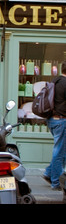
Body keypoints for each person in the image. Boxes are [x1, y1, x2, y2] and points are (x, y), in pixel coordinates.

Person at [42, 61, 66, 191]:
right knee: (59, 151)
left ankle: (48, 173)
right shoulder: (65, 83)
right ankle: (56, 182)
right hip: (61, 121)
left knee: (62, 150)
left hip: (51, 120)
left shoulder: (54, 81)